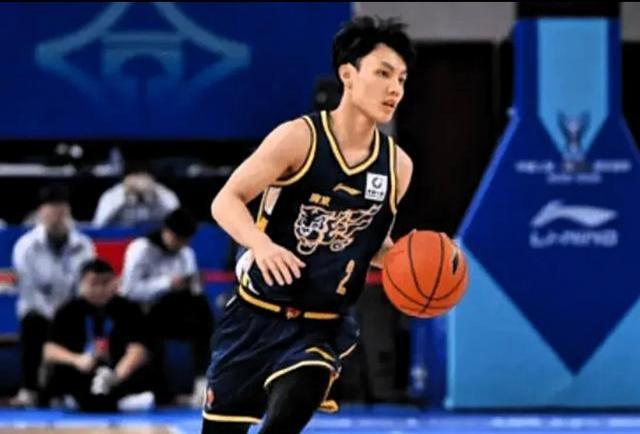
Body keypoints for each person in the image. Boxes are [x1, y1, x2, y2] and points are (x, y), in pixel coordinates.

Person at [202, 16, 415, 434]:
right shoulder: (298, 139)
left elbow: (372, 244)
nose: (395, 89)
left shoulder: (397, 167)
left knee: (297, 397)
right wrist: (260, 244)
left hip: (321, 325)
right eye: (383, 74)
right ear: (348, 75)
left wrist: (416, 264)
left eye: (402, 79)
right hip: (255, 316)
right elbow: (225, 201)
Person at [10, 185, 95, 407]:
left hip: (70, 309)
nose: (58, 215)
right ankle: (29, 389)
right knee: (31, 322)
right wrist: (53, 314)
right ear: (41, 212)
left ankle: (63, 389)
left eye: (62, 209)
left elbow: (86, 283)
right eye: (52, 209)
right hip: (38, 310)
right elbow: (29, 290)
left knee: (78, 321)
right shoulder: (26, 246)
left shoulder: (83, 245)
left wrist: (67, 311)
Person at [120, 207, 214, 407]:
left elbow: (192, 288)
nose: (181, 245)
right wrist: (166, 283)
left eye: (185, 241)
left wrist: (193, 285)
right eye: (178, 239)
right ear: (166, 231)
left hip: (172, 311)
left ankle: (202, 380)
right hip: (141, 311)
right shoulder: (140, 249)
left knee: (202, 309)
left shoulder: (185, 253)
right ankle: (161, 393)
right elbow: (129, 290)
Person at [40, 259, 153, 412]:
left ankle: (106, 401)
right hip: (80, 370)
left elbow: (138, 350)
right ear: (81, 284)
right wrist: (77, 360)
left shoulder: (130, 309)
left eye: (105, 283)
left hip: (117, 371)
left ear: (116, 282)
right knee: (63, 376)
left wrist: (116, 376)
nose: (100, 289)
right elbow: (49, 350)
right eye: (93, 283)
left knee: (141, 373)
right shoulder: (67, 311)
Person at [92, 166, 179, 228]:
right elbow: (99, 225)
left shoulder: (163, 194)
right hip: (120, 240)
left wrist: (157, 197)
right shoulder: (112, 195)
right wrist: (124, 197)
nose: (139, 181)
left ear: (151, 177)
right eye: (136, 175)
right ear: (127, 178)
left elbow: (178, 222)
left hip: (156, 241)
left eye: (143, 175)